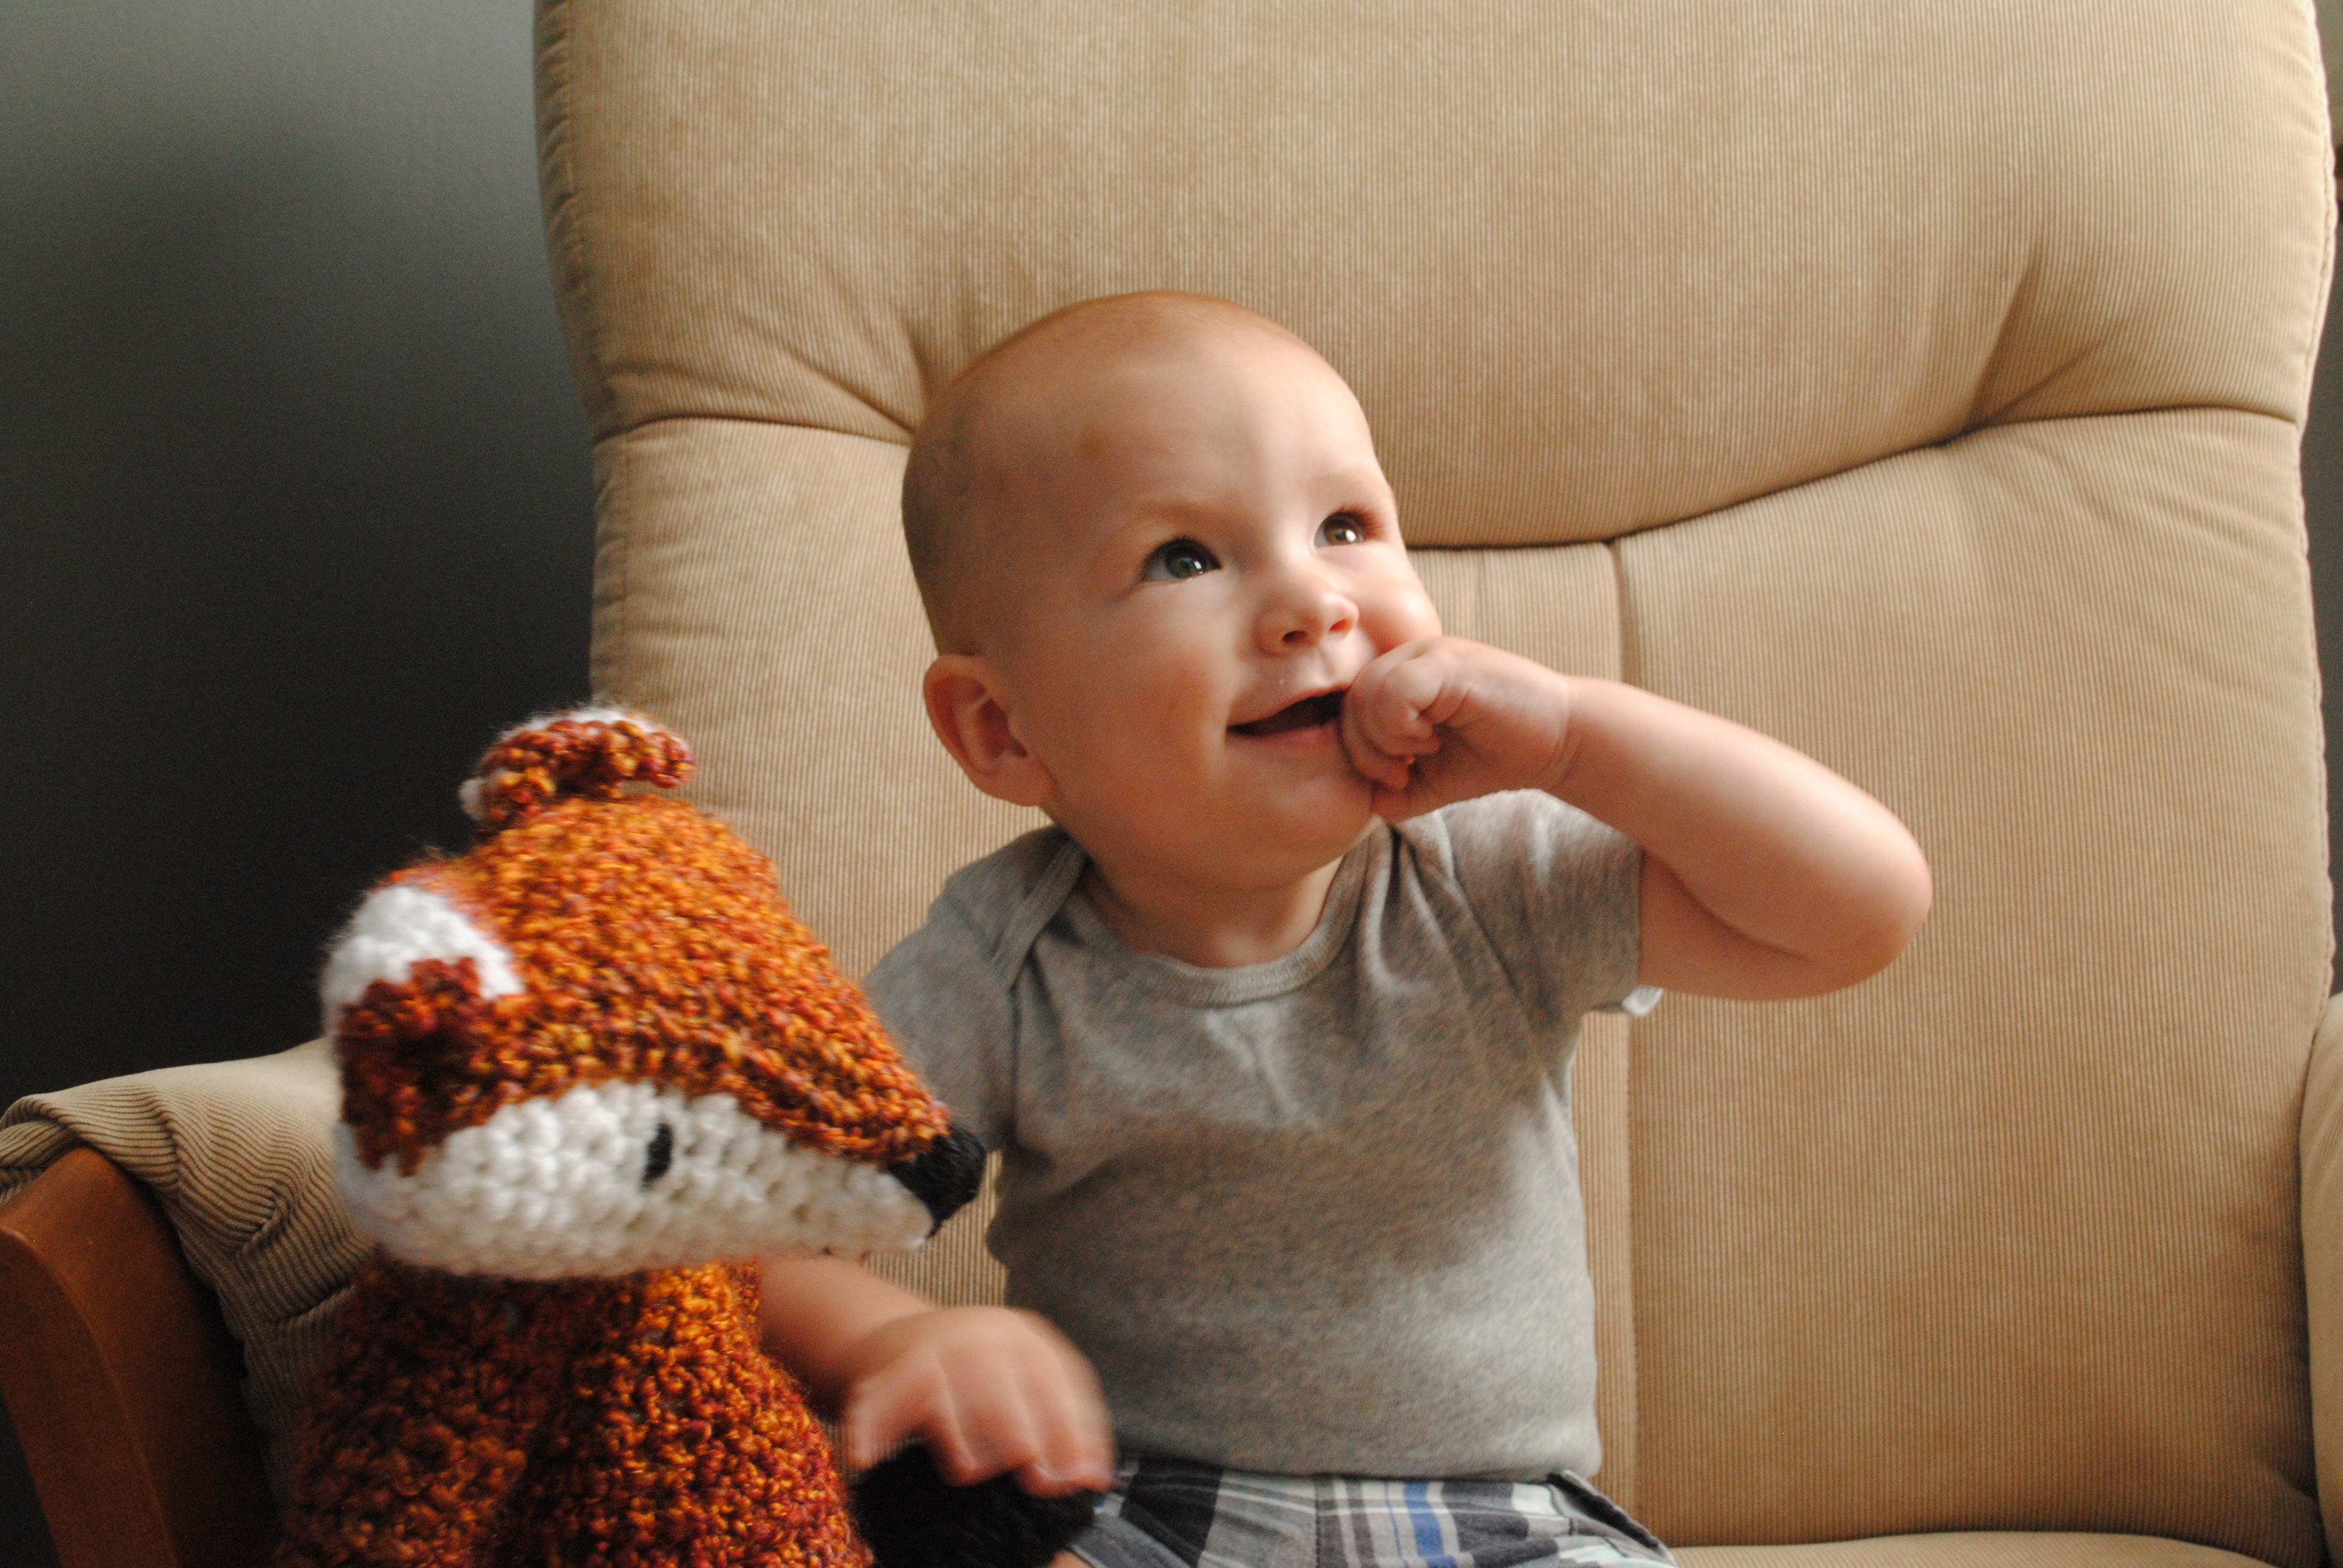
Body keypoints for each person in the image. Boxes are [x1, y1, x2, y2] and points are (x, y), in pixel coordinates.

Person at [758, 290, 1932, 1568]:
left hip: (1500, 1518)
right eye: (1184, 559)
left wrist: (1578, 737)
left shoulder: (1485, 876)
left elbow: (1854, 914)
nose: (1311, 602)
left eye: (1345, 527)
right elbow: (744, 1236)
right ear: (1003, 730)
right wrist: (894, 1338)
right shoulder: (1001, 965)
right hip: (1136, 1511)